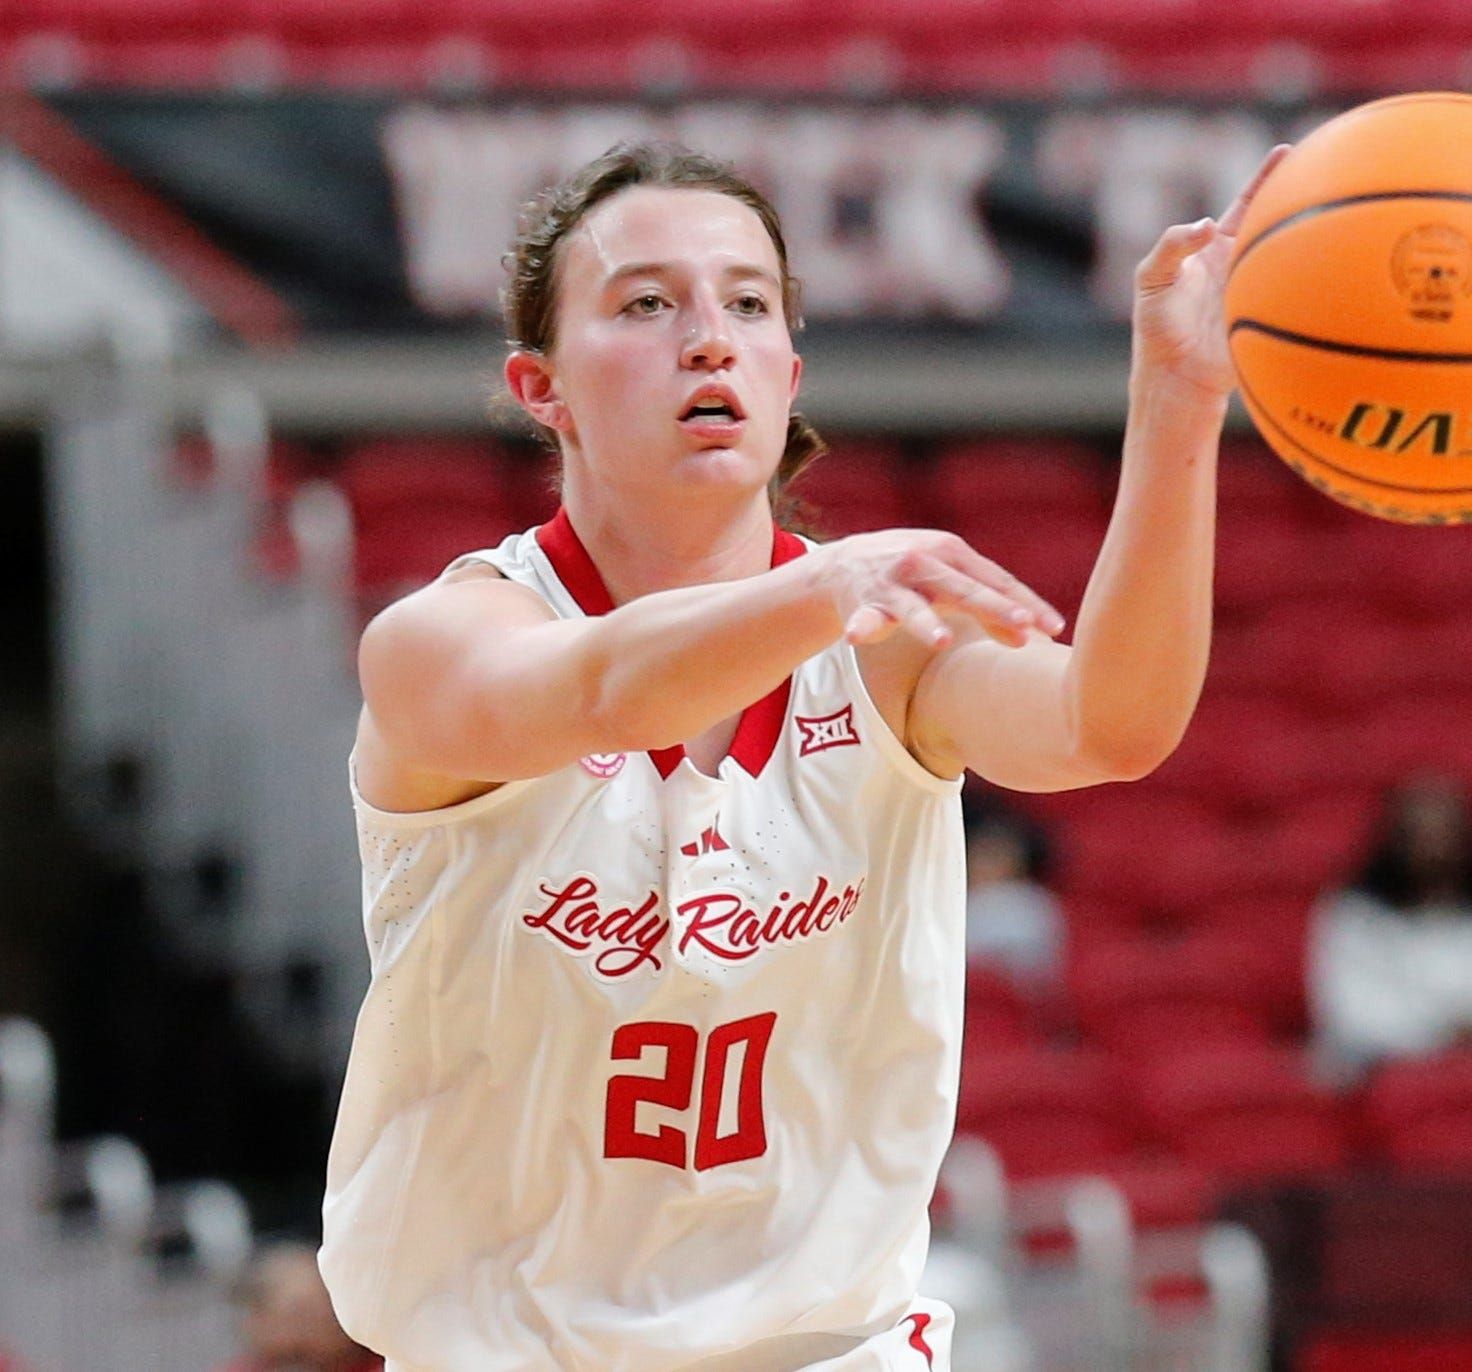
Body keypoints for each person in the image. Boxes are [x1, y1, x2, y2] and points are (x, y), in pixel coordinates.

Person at [318, 139, 1286, 1371]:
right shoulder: (441, 641)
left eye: (749, 302)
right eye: (647, 303)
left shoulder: (881, 650)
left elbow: (1113, 725)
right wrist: (827, 584)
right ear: (540, 385)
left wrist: (1182, 398)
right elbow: (606, 687)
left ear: (789, 373)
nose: (710, 337)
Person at [1310, 773, 1472, 1080]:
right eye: (1420, 835)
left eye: (1447, 834)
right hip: (1377, 1074)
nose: (1435, 847)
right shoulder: (1355, 914)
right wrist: (1441, 1034)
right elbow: (1351, 1015)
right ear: (1395, 840)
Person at [220, 1242, 379, 1372]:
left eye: (322, 1316)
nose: (310, 1333)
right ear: (257, 1320)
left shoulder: (391, 1363)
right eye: (299, 1316)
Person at [962, 793, 1063, 993]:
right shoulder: (950, 901)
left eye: (998, 856)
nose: (990, 865)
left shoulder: (1032, 904)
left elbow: (1039, 977)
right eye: (984, 855)